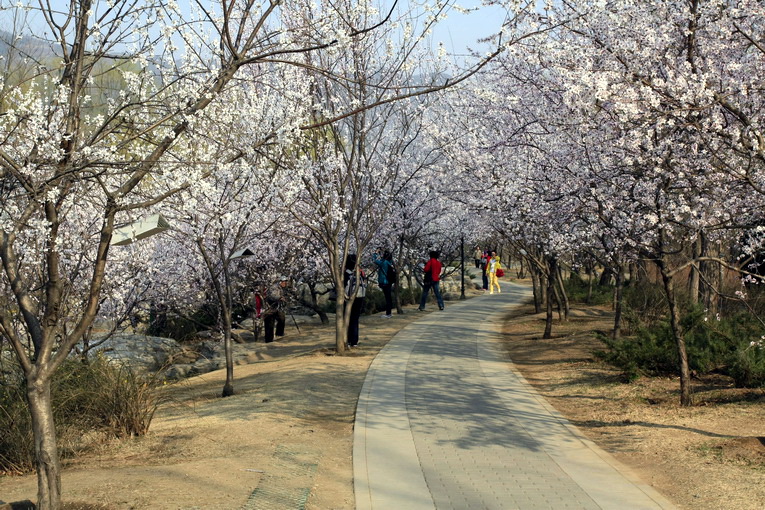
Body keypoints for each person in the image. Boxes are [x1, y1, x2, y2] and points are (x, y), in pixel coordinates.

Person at [343, 254, 365, 347]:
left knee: (347, 318)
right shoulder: (360, 272)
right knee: (355, 319)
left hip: (348, 297)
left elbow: (342, 286)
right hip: (360, 296)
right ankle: (354, 341)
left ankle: (347, 340)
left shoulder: (346, 273)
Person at [263, 276, 288, 343]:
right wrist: (279, 297)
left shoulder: (281, 288)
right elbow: (272, 296)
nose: (285, 283)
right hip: (270, 308)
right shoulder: (274, 287)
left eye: (285, 282)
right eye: (284, 282)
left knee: (282, 318)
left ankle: (279, 334)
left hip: (277, 307)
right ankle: (269, 340)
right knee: (269, 324)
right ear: (280, 282)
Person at [373, 249, 394, 318]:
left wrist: (375, 253)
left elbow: (375, 260)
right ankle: (389, 313)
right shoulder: (389, 262)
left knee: (387, 298)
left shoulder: (383, 263)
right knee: (389, 297)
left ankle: (388, 314)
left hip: (384, 282)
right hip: (389, 281)